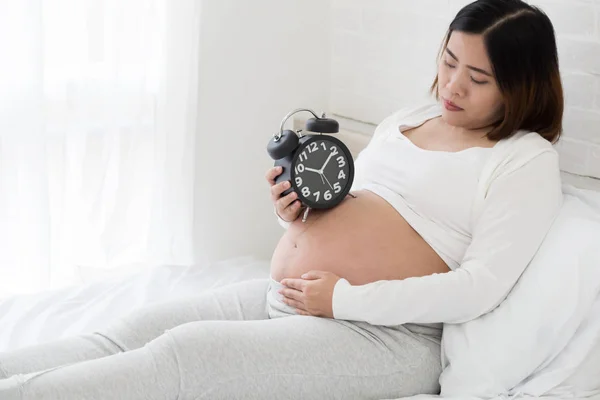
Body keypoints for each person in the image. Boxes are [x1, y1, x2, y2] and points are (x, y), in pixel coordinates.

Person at [0, 0, 564, 398]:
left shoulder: (524, 160)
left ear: (521, 86)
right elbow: (352, 210)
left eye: (477, 78)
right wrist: (296, 214)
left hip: (382, 336)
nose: (450, 87)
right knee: (128, 330)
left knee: (186, 358)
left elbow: (478, 289)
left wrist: (344, 300)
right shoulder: (410, 119)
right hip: (296, 295)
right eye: (447, 61)